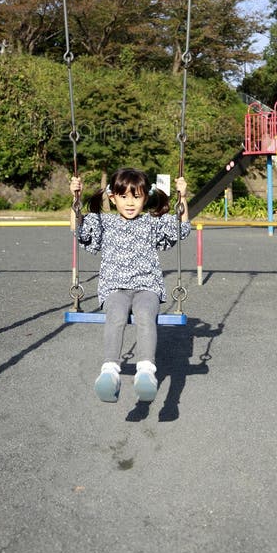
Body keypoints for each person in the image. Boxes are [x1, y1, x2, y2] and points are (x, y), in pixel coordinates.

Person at [70, 167, 190, 404]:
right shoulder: (104, 222)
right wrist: (74, 197)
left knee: (146, 313)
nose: (130, 203)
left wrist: (183, 197)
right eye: (123, 196)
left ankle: (146, 372)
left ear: (146, 197)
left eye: (136, 196)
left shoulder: (152, 223)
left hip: (147, 285)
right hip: (115, 286)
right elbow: (78, 230)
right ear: (112, 198)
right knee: (115, 314)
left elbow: (181, 229)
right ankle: (110, 372)